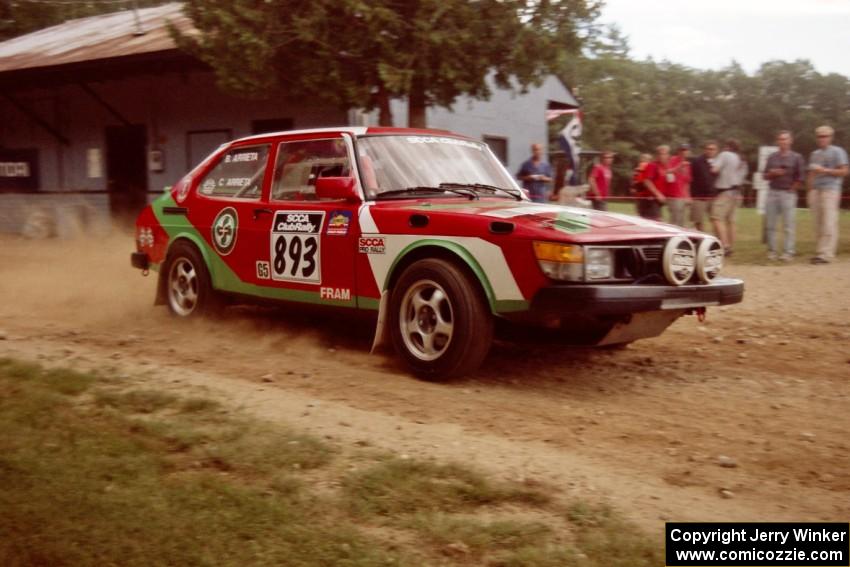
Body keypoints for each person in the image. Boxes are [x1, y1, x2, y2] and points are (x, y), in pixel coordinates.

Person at [807, 125, 849, 264]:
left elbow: (844, 171)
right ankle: (820, 252)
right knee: (818, 222)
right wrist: (809, 190)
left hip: (830, 189)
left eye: (825, 136)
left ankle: (827, 254)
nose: (822, 138)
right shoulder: (815, 154)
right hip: (816, 190)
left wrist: (825, 170)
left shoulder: (838, 151)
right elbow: (811, 173)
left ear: (830, 137)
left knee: (829, 222)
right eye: (819, 136)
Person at [763, 130, 805, 261]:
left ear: (790, 140)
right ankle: (772, 252)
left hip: (788, 193)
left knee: (788, 225)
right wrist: (773, 173)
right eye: (781, 139)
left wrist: (791, 190)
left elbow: (801, 177)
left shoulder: (797, 157)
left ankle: (788, 252)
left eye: (785, 139)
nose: (783, 141)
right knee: (770, 225)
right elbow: (764, 176)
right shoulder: (772, 157)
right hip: (772, 193)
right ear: (777, 141)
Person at [710, 139, 743, 255]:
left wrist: (713, 164)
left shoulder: (724, 154)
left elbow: (714, 169)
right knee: (731, 221)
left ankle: (725, 245)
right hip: (737, 192)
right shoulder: (739, 158)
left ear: (727, 147)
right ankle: (731, 246)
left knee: (716, 218)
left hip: (725, 191)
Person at [638, 146, 673, 221]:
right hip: (649, 200)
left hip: (657, 202)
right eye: (660, 154)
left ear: (668, 155)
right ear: (657, 156)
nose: (662, 156)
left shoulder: (665, 167)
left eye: (665, 154)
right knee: (654, 224)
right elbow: (647, 181)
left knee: (656, 223)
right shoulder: (652, 165)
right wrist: (658, 194)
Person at [690, 141, 718, 231]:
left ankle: (718, 240)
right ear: (704, 150)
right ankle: (700, 240)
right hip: (699, 196)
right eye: (708, 149)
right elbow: (691, 177)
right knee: (698, 220)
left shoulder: (718, 161)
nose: (710, 151)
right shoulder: (697, 161)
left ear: (716, 150)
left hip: (713, 196)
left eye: (713, 149)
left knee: (716, 220)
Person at [666, 144, 692, 226]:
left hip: (682, 196)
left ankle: (680, 237)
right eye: (682, 150)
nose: (684, 152)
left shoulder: (688, 165)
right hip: (673, 194)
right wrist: (679, 166)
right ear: (679, 151)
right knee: (675, 220)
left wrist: (688, 196)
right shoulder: (673, 159)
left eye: (686, 150)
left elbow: (687, 182)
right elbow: (668, 171)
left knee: (681, 220)